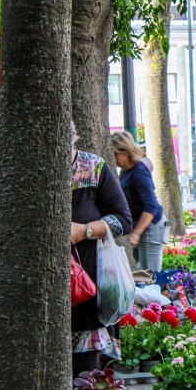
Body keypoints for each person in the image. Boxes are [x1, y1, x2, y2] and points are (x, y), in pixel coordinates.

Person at [71, 124, 132, 376]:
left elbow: (123, 220)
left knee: (85, 373)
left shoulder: (93, 167)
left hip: (87, 285)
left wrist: (84, 230)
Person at [111, 131, 169, 274]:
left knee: (149, 276)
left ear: (124, 152)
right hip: (141, 226)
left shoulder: (139, 171)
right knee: (138, 274)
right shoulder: (125, 171)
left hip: (151, 227)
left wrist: (136, 234)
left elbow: (151, 207)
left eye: (115, 154)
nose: (113, 158)